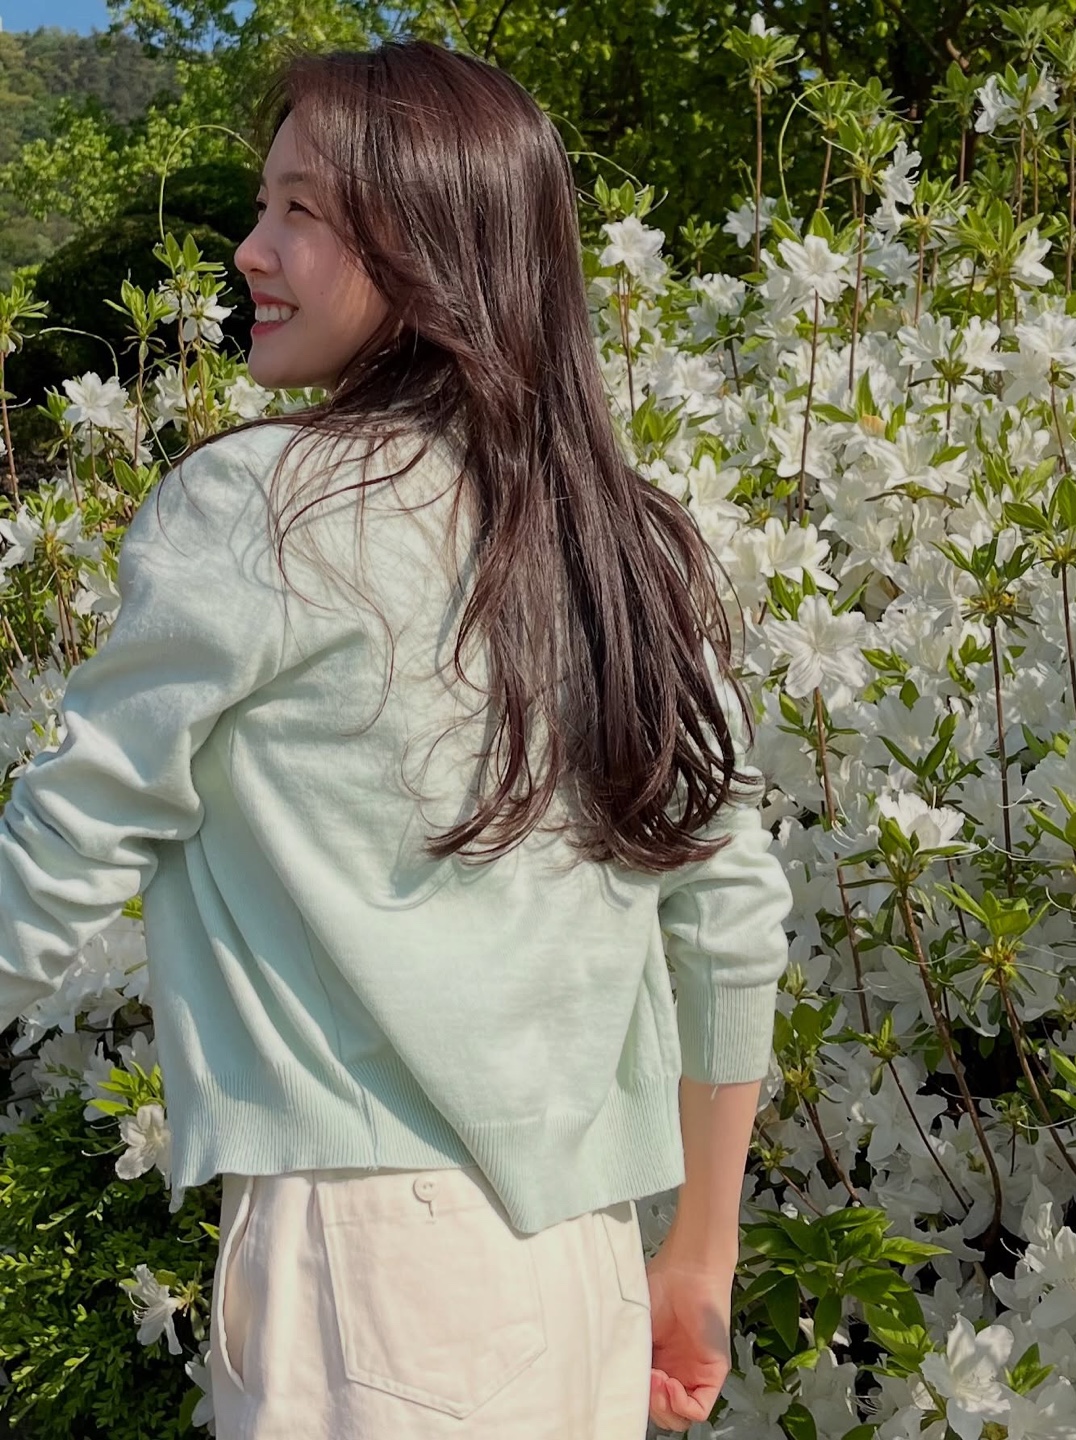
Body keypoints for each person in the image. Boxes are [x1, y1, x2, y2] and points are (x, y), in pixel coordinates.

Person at [0, 37, 793, 1440]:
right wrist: (700, 1258)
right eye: (264, 206)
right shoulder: (619, 545)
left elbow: (60, 853)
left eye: (302, 210)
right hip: (585, 1274)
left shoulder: (259, 506)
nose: (250, 249)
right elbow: (727, 914)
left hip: (368, 1278)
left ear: (432, 241)